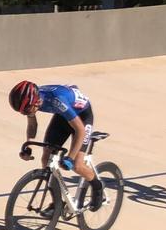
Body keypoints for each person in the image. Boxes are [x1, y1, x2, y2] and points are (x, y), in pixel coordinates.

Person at [8, 81, 104, 210]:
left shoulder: (56, 100)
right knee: (46, 160)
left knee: (77, 165)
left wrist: (70, 157)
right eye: (22, 112)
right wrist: (29, 145)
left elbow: (80, 130)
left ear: (36, 102)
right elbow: (32, 125)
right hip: (63, 115)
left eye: (26, 110)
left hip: (82, 116)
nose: (26, 114)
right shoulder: (31, 102)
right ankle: (57, 203)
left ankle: (98, 187)